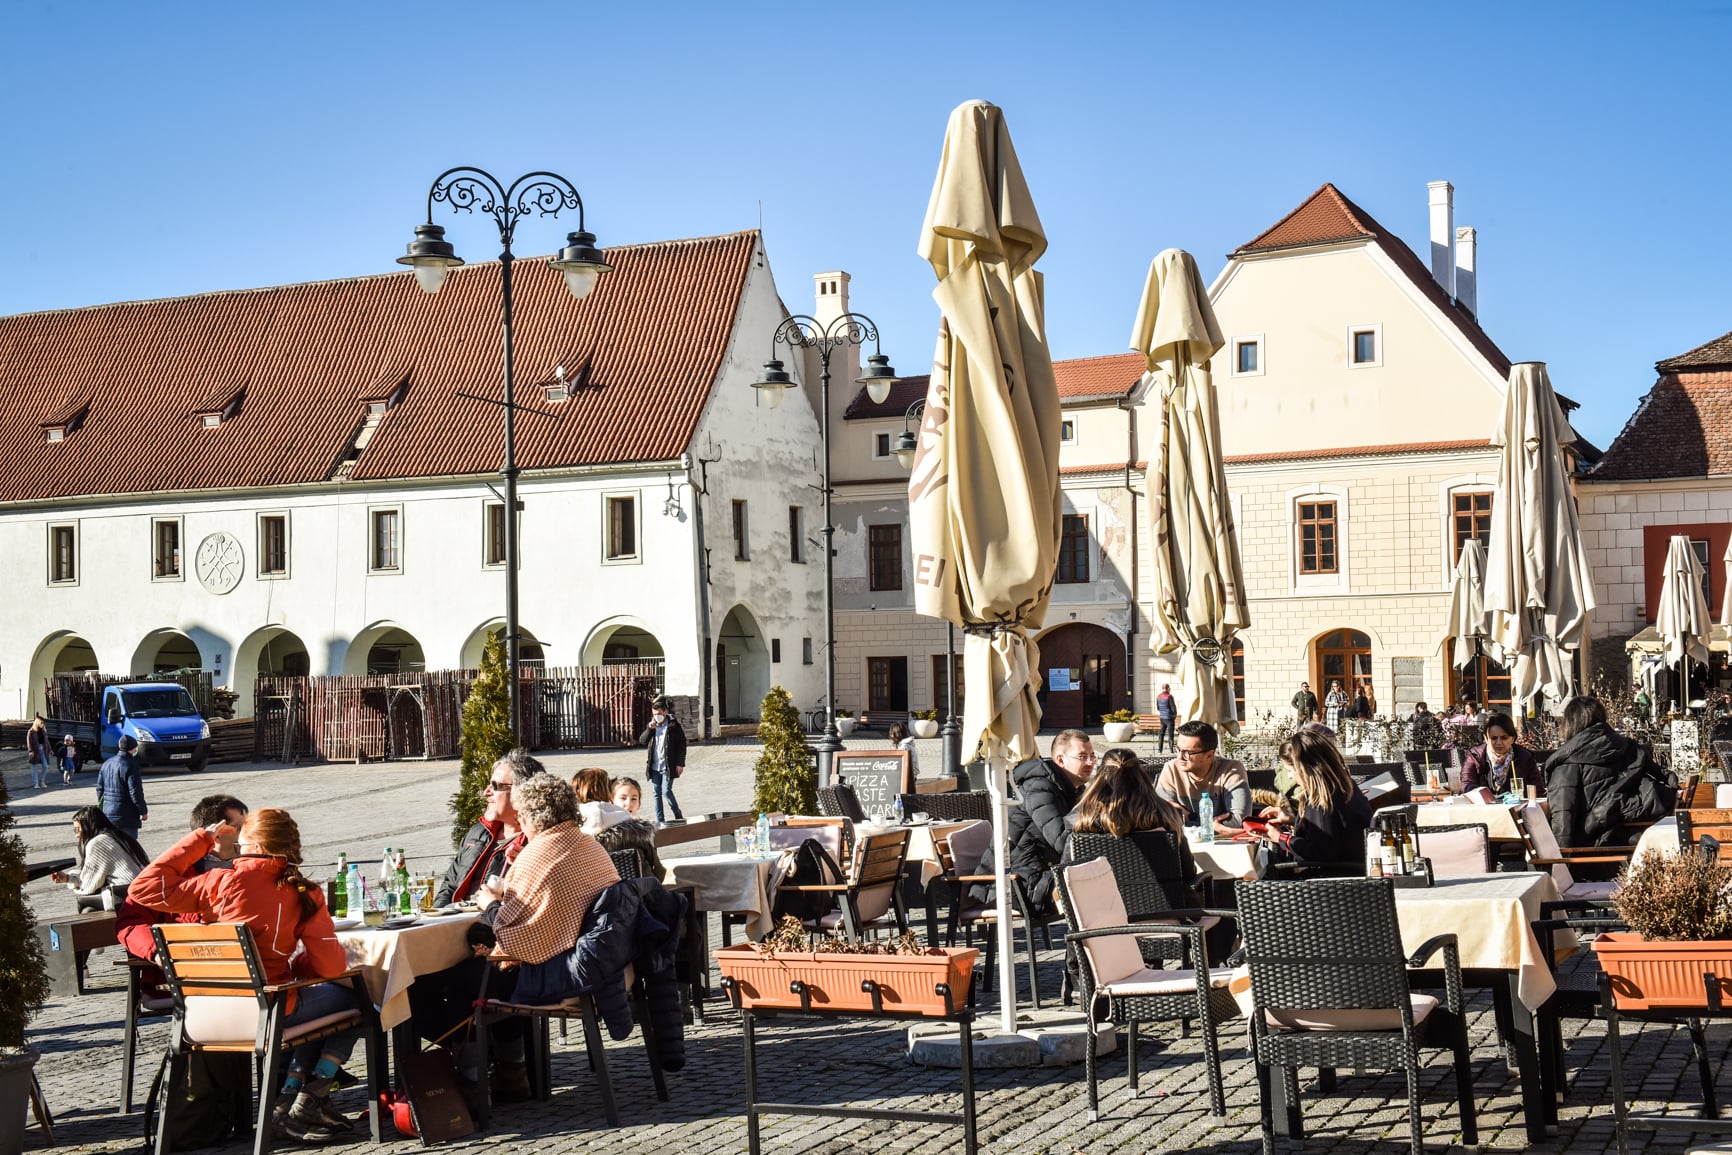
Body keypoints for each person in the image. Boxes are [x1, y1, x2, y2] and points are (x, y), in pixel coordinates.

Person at [130, 808, 359, 1143]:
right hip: (265, 1014)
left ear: (245, 844)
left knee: (323, 1002)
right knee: (358, 998)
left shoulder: (216, 881)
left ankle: (296, 1095)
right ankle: (310, 1092)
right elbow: (330, 968)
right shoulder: (303, 892)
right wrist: (297, 970)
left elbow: (143, 889)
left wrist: (202, 839)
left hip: (202, 1014)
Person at [410, 776, 619, 1103]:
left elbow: (515, 938)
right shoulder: (588, 844)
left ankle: (473, 1079)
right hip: (592, 964)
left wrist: (490, 905)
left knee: (436, 985)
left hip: (554, 972)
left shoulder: (538, 854)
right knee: (476, 972)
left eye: (521, 814)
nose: (518, 821)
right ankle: (510, 1071)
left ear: (533, 816)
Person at [115, 796, 249, 980]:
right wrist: (158, 953)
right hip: (191, 975)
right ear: (217, 832)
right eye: (240, 826)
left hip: (249, 970)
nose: (248, 832)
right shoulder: (174, 874)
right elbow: (131, 922)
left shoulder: (257, 866)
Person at [972, 729, 1096, 915]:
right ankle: (1086, 944)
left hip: (1038, 876)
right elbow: (1063, 840)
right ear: (1061, 760)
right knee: (1093, 889)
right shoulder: (1039, 788)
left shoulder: (1071, 790)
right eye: (1082, 756)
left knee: (1101, 880)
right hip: (1011, 885)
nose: (1090, 763)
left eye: (1093, 756)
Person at [1545, 695, 1673, 849]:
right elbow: (1667, 778)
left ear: (1570, 724)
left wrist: (1559, 863)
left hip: (1593, 851)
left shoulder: (1566, 764)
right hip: (1637, 839)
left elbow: (1562, 819)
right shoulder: (1630, 749)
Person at [435, 748, 544, 908]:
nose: (486, 792)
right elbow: (450, 885)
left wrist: (529, 864)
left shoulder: (536, 842)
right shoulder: (478, 832)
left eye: (495, 786)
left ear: (522, 792)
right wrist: (436, 918)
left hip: (490, 925)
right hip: (453, 923)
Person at [1256, 729, 1373, 871]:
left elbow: (1320, 852)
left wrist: (1280, 838)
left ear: (1304, 769)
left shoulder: (1321, 800)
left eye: (1290, 770)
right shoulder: (1346, 787)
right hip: (1359, 872)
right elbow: (1332, 832)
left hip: (1328, 882)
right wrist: (1295, 819)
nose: (1290, 777)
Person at [1155, 720, 1251, 833]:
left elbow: (1239, 820)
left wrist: (1189, 817)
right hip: (1183, 845)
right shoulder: (1171, 769)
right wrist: (1210, 826)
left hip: (1222, 845)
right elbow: (1161, 817)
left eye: (1187, 753)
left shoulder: (1231, 770)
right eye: (1178, 749)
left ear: (1209, 755)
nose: (1179, 757)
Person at [52, 806, 149, 910]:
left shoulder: (98, 843)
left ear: (88, 826)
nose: (76, 835)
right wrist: (68, 878)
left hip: (126, 893)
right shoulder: (118, 835)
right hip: (143, 887)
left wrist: (71, 880)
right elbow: (94, 875)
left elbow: (89, 885)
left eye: (77, 829)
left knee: (83, 902)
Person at [1459, 712, 1542, 797]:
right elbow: (1466, 784)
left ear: (1512, 738)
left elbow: (1537, 790)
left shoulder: (1525, 757)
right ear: (1486, 738)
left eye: (1504, 738)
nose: (1499, 743)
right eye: (1494, 738)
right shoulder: (1475, 756)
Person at [638, 697, 686, 826]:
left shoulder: (673, 725)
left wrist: (680, 763)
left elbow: (682, 744)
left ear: (665, 712)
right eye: (654, 715)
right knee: (656, 793)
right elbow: (642, 741)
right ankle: (660, 820)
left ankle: (677, 813)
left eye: (659, 714)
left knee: (666, 790)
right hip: (654, 765)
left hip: (668, 765)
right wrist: (649, 729)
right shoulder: (652, 726)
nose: (657, 717)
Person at [97, 735, 148, 839]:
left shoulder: (106, 764)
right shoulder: (131, 765)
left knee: (113, 848)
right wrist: (143, 811)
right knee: (129, 849)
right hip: (127, 816)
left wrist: (105, 806)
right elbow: (135, 792)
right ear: (133, 749)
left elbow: (100, 789)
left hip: (108, 814)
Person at [26, 715, 50, 789]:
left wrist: (50, 750)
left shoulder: (44, 731)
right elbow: (29, 742)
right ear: (37, 722)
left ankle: (42, 781)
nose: (42, 724)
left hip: (43, 749)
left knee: (45, 766)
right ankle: (35, 783)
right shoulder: (31, 731)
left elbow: (47, 741)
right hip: (35, 750)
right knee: (34, 767)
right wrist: (30, 751)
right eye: (41, 722)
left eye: (43, 723)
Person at [1155, 684, 1178, 753]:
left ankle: (1160, 750)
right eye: (1169, 688)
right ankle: (1171, 750)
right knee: (1171, 734)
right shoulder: (1169, 696)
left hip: (1162, 717)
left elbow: (1158, 708)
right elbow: (1173, 708)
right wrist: (1174, 716)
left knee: (1161, 734)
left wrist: (1163, 713)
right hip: (1169, 718)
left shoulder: (1158, 696)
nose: (1170, 689)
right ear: (1167, 688)